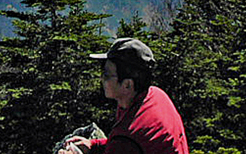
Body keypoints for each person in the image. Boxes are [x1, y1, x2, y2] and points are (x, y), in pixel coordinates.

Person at [58, 38, 189, 154]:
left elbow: (127, 144)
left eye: (107, 75)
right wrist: (94, 145)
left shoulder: (127, 136)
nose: (102, 78)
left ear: (127, 84)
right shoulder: (156, 96)